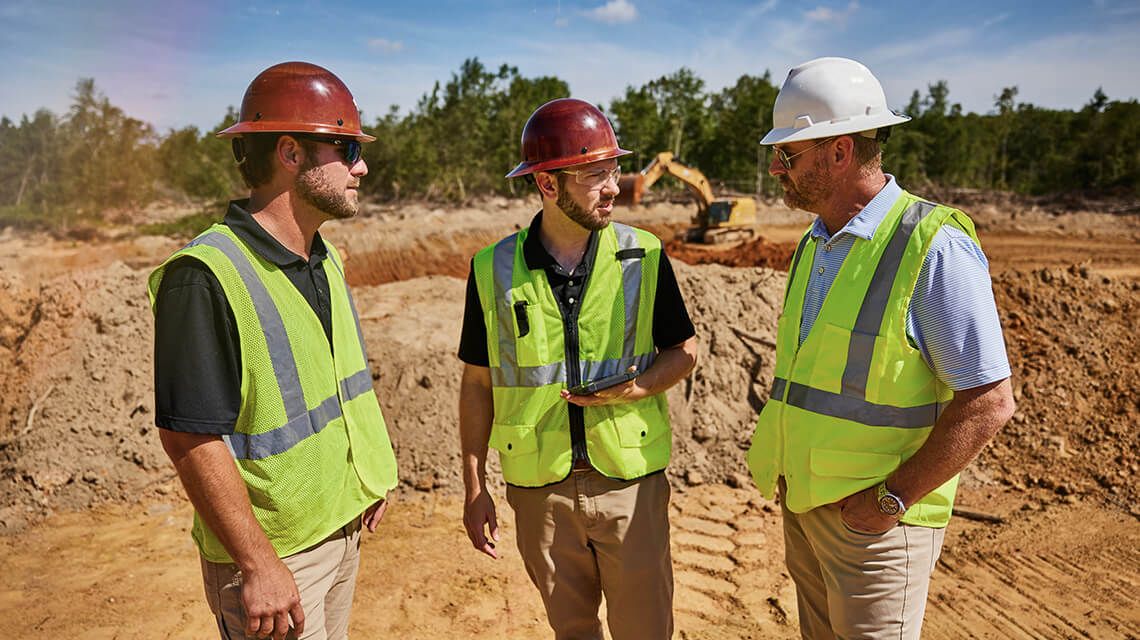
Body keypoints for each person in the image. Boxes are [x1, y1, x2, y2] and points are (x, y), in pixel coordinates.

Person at [746, 57, 1016, 639]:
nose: (775, 168)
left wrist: (891, 502)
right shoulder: (815, 244)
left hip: (876, 527)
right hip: (810, 507)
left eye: (788, 154)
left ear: (839, 152)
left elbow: (989, 400)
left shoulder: (932, 245)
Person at [148, 61, 398, 640]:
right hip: (276, 560)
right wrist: (258, 564)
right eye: (345, 146)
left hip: (339, 527)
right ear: (290, 152)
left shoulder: (323, 257)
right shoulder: (205, 275)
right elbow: (190, 436)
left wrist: (362, 480)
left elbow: (336, 387)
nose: (361, 165)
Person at [457, 98, 698, 639]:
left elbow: (685, 352)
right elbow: (477, 383)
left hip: (629, 485)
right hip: (539, 493)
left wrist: (638, 388)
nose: (614, 186)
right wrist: (474, 487)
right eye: (595, 175)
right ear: (547, 184)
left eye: (613, 170)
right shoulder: (491, 269)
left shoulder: (645, 255)